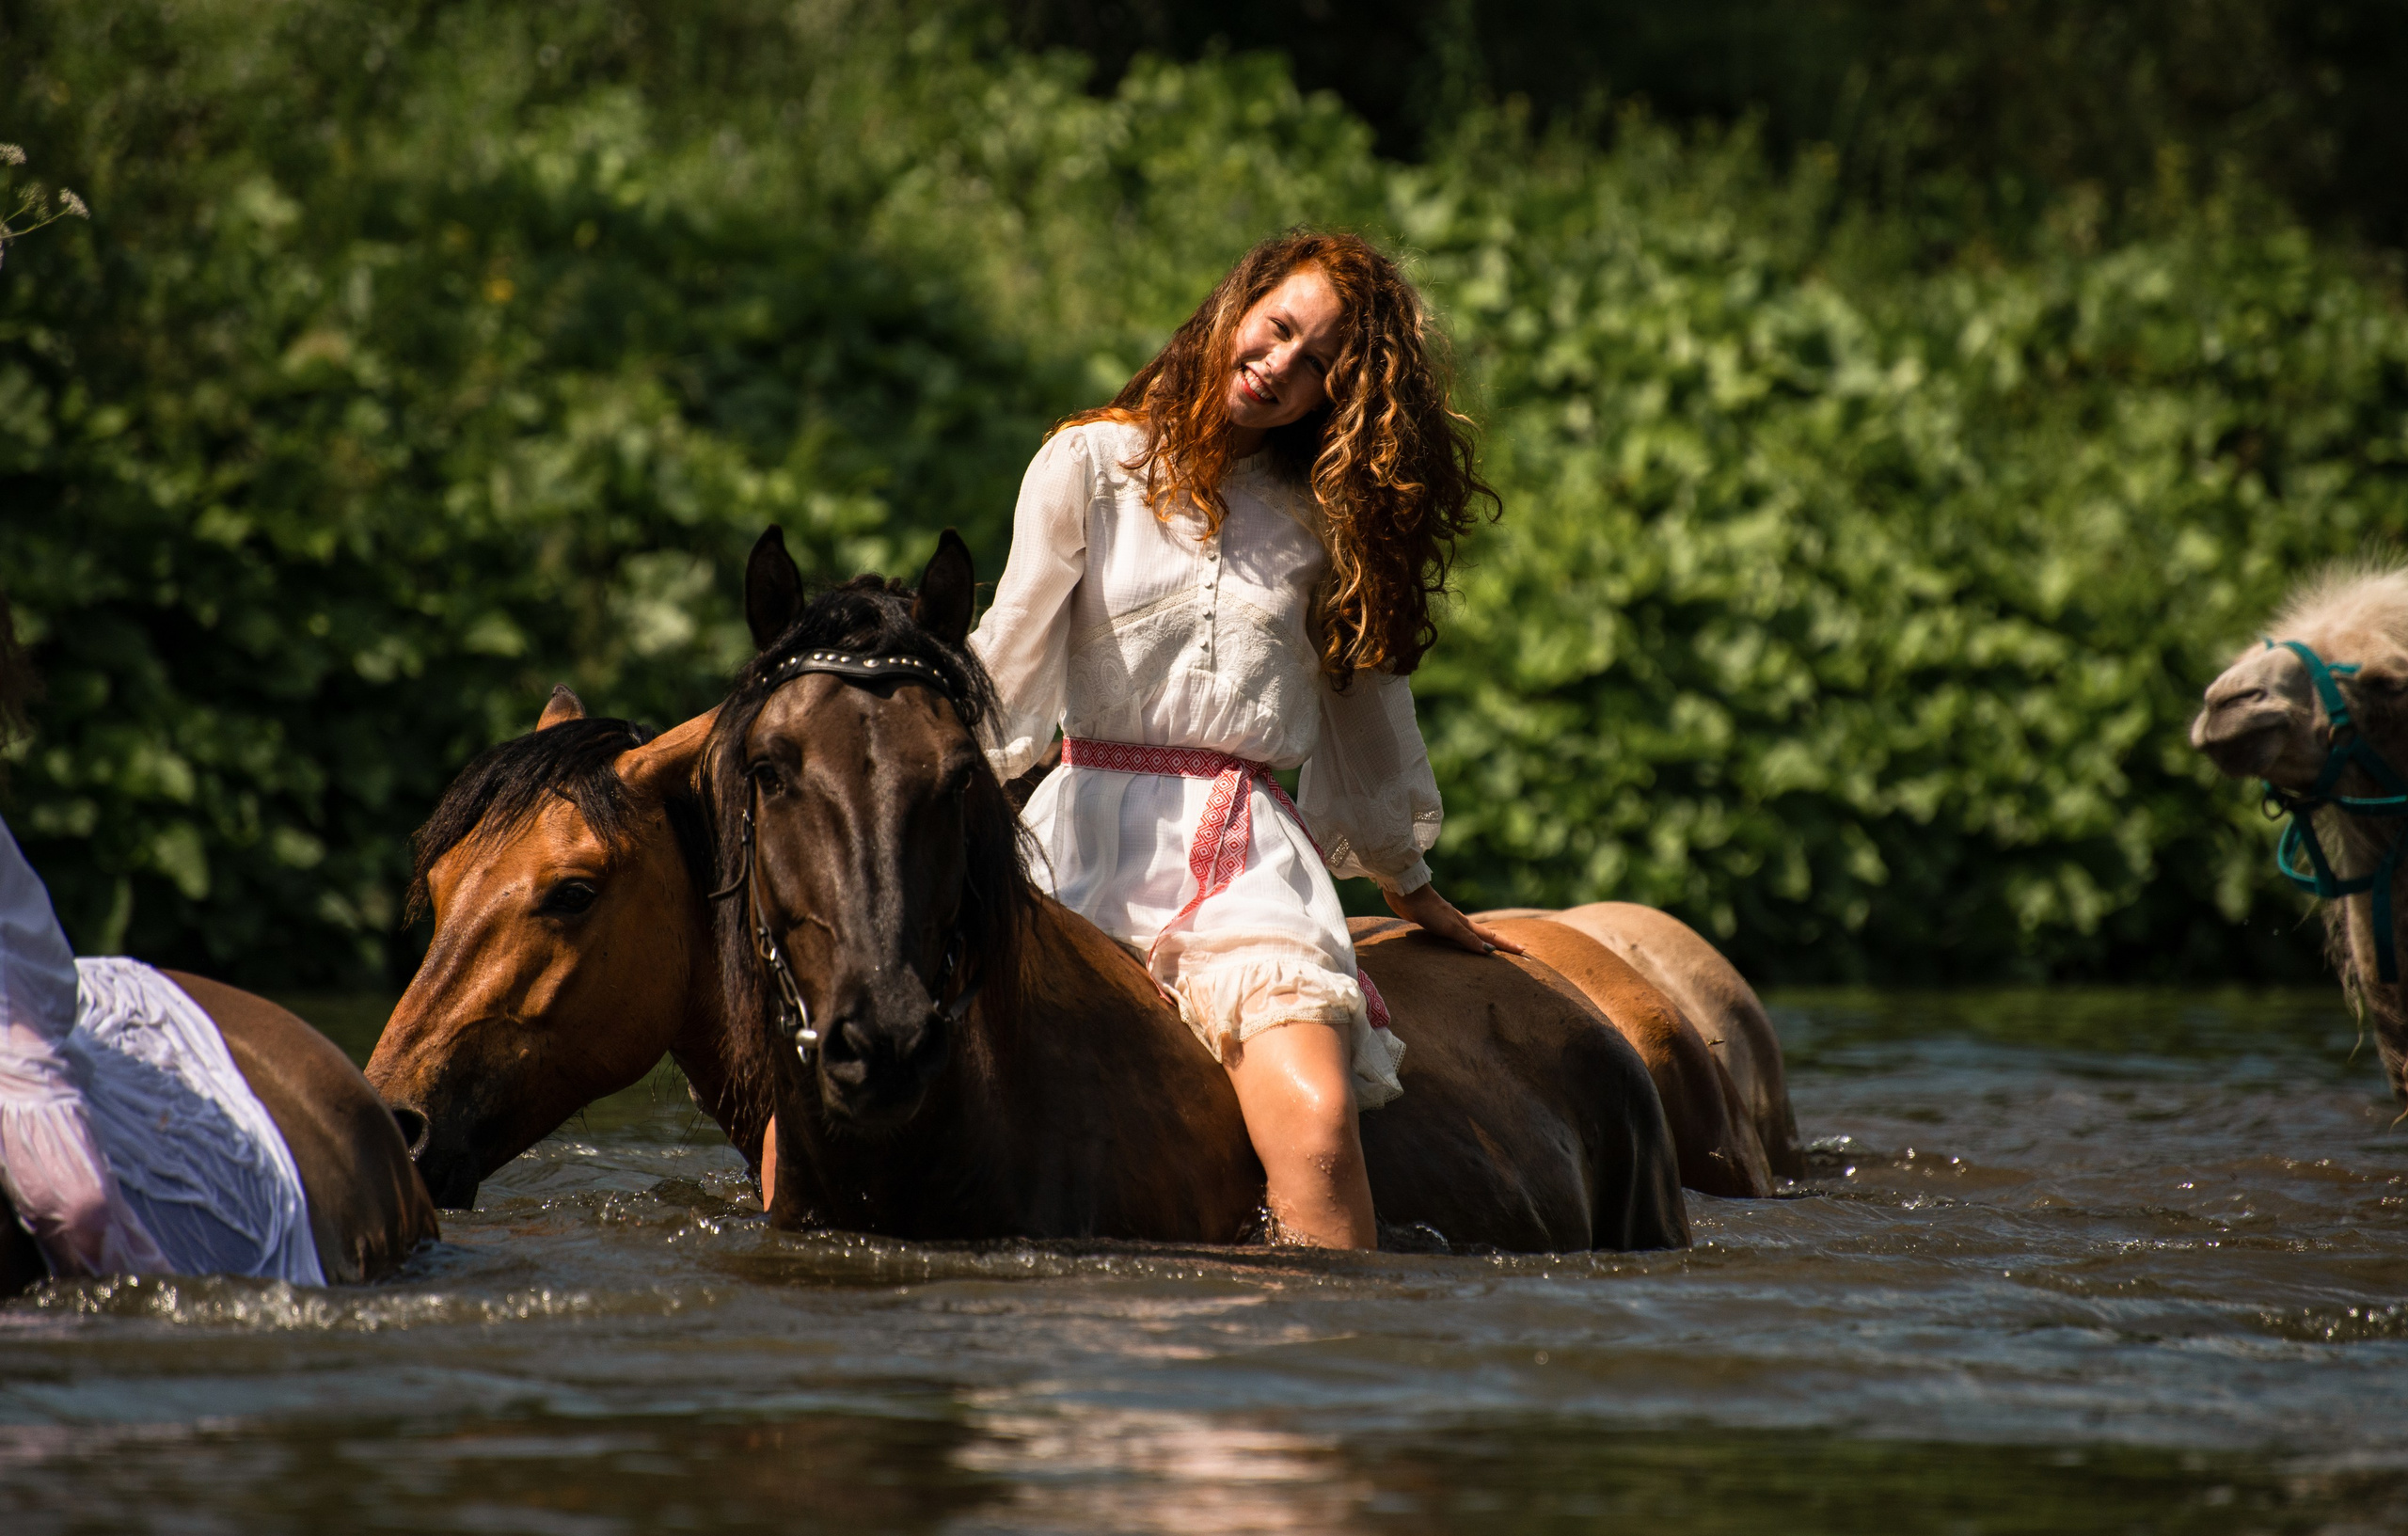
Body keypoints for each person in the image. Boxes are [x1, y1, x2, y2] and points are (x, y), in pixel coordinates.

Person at [970, 230, 1524, 1250]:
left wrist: (1407, 882)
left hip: (1244, 864)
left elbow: (1368, 715)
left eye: (1319, 366)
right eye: (1277, 330)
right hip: (1073, 850)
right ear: (1237, 306)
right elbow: (1005, 663)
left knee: (1315, 1123)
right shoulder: (1088, 464)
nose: (1279, 368)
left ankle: (1310, 1383)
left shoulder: (1325, 523)